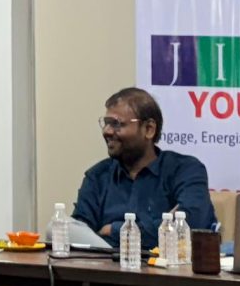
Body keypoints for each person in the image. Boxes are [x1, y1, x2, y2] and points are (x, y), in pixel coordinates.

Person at [73, 87, 215, 240]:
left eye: (116, 124)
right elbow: (79, 235)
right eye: (106, 123)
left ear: (149, 129)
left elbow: (189, 226)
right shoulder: (97, 176)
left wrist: (114, 230)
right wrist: (161, 226)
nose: (107, 131)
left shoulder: (185, 170)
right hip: (108, 257)